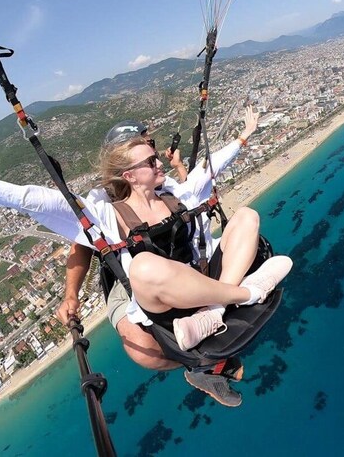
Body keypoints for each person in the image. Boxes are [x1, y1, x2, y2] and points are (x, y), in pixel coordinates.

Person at [0, 110, 292, 407]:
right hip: (159, 298)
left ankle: (214, 311)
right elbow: (47, 201)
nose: (157, 156)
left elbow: (208, 171)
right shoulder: (105, 212)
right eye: (150, 157)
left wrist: (244, 137)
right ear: (130, 174)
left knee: (246, 216)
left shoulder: (172, 192)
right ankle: (244, 298)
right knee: (146, 283)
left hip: (201, 282)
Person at [56, 109, 258, 373]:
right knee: (140, 346)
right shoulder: (102, 202)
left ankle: (212, 316)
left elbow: (188, 197)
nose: (153, 150)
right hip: (127, 270)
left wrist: (181, 167)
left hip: (175, 254)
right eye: (148, 144)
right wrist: (71, 294)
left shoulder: (160, 182)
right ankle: (203, 364)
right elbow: (81, 243)